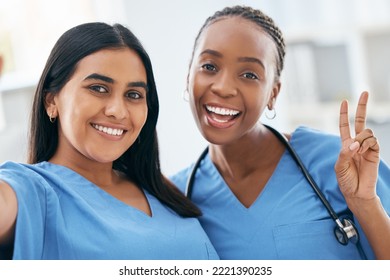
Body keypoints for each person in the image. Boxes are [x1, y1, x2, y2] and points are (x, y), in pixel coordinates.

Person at [170, 5, 390, 260]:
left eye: (249, 74)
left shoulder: (338, 162)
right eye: (209, 67)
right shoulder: (176, 196)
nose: (223, 87)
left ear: (273, 94)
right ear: (188, 74)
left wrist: (364, 202)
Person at [0, 22, 218, 260]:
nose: (118, 111)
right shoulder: (31, 190)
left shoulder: (160, 188)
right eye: (98, 88)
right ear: (51, 101)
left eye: (133, 95)